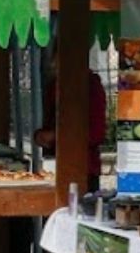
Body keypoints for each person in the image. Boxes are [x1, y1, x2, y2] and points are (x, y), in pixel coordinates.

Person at [34, 48, 110, 194]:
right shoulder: (53, 86)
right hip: (54, 166)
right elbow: (49, 125)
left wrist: (56, 136)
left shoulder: (92, 86)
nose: (54, 63)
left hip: (84, 168)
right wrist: (41, 136)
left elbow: (96, 134)